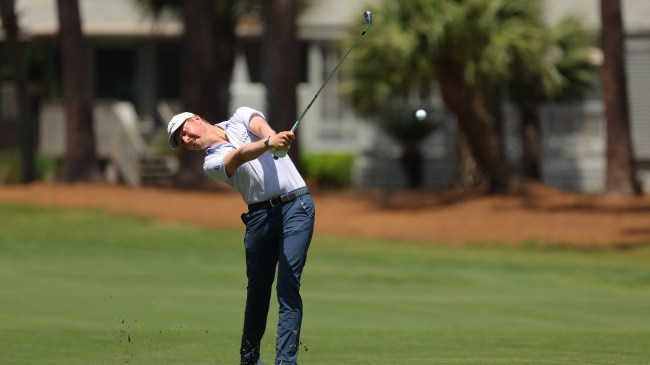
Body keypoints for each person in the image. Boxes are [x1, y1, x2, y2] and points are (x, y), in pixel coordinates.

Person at [167, 107, 316, 365]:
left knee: (288, 287)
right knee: (257, 293)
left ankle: (285, 362)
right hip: (259, 218)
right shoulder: (210, 163)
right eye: (182, 141)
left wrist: (275, 138)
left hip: (296, 206)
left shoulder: (239, 116)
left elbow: (258, 123)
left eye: (185, 132)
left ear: (197, 119)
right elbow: (238, 156)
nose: (187, 140)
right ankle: (249, 359)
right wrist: (269, 143)